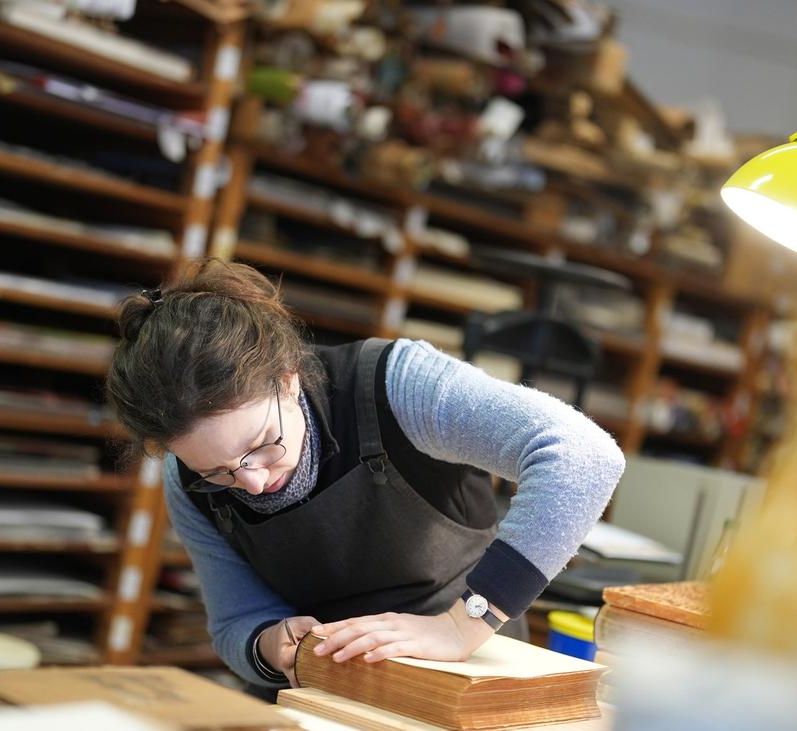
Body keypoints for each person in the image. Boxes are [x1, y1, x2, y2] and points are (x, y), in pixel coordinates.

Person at [106, 259, 625, 690]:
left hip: (468, 672)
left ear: (288, 377)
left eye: (262, 445)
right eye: (219, 472)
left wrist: (460, 626)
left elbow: (585, 457)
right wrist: (268, 645)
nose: (253, 482)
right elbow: (235, 621)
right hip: (331, 690)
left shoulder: (395, 386)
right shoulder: (189, 482)